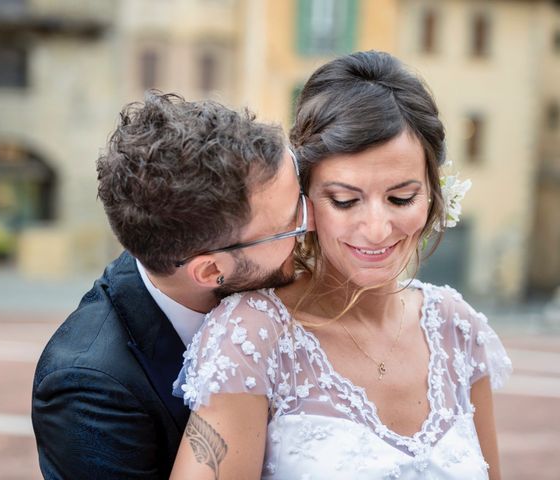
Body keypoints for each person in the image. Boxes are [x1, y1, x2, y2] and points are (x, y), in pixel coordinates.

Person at [170, 51, 513, 479]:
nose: (376, 228)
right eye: (345, 200)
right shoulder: (252, 337)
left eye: (401, 197)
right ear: (305, 199)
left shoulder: (458, 331)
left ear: (433, 193)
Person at [31, 92, 311, 479]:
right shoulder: (90, 389)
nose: (309, 229)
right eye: (290, 225)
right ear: (210, 270)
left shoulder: (287, 283)